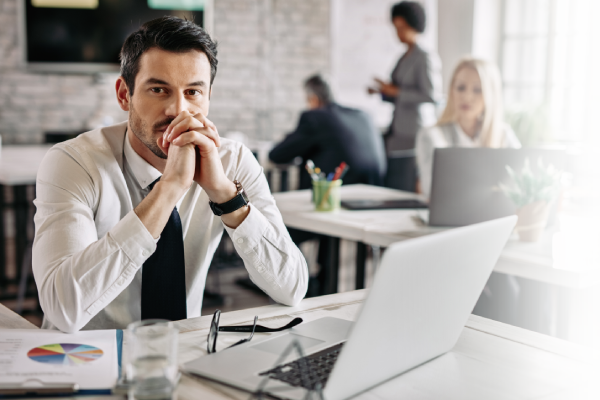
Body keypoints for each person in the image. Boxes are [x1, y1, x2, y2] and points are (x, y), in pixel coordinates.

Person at [32, 17, 308, 333]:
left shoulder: (232, 161)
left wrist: (226, 195)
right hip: (87, 360)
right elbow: (63, 308)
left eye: (193, 92)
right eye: (159, 89)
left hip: (180, 357)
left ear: (208, 98)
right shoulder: (72, 162)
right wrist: (170, 189)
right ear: (124, 94)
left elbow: (293, 287)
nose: (178, 109)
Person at [415, 57, 522, 199]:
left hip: (495, 218)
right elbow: (431, 189)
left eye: (477, 90)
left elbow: (521, 184)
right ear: (451, 91)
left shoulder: (503, 134)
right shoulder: (431, 135)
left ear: (490, 95)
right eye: (461, 88)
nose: (467, 97)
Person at [269, 75, 386, 189]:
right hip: (376, 189)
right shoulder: (363, 116)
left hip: (333, 194)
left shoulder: (315, 117)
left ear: (313, 99)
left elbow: (277, 155)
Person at [368, 1, 442, 153]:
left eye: (401, 28)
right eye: (396, 28)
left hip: (415, 130)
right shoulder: (403, 57)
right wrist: (382, 91)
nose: (398, 33)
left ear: (414, 26)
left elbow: (432, 96)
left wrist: (396, 91)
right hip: (397, 127)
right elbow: (397, 92)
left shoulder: (424, 56)